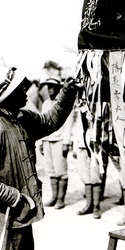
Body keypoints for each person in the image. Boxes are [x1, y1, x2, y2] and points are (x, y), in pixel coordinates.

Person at [0, 64, 78, 250]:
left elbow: (50, 121)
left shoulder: (23, 118)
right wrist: (13, 196)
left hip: (21, 213)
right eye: (19, 88)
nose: (26, 90)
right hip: (2, 216)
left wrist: (67, 93)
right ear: (8, 96)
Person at [38, 76, 74, 210]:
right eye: (49, 87)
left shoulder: (64, 102)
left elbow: (69, 123)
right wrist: (41, 141)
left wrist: (66, 142)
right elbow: (42, 122)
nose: (51, 90)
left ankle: (60, 199)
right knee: (50, 170)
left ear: (59, 88)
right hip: (48, 140)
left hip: (59, 140)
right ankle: (54, 196)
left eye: (53, 87)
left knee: (61, 171)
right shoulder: (46, 103)